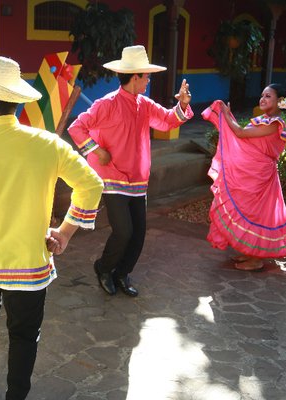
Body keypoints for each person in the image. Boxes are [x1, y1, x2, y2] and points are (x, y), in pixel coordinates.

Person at [0, 55, 103, 400]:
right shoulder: (48, 144)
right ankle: (17, 395)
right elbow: (92, 185)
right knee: (24, 335)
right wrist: (64, 232)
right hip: (29, 261)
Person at [68, 45, 193, 297]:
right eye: (146, 76)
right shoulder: (107, 104)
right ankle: (103, 268)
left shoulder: (144, 105)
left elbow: (168, 120)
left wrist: (182, 105)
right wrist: (97, 151)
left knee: (138, 235)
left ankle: (121, 273)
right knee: (123, 231)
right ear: (135, 76)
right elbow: (76, 127)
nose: (148, 80)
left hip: (138, 179)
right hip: (113, 177)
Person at [202, 84, 286, 271]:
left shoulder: (275, 124)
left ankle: (257, 259)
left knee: (256, 213)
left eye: (268, 96)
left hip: (260, 177)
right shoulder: (262, 119)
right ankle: (250, 251)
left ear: (280, 101)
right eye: (262, 95)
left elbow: (240, 133)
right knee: (246, 210)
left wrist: (226, 114)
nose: (262, 99)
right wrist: (227, 116)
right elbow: (242, 138)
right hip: (250, 173)